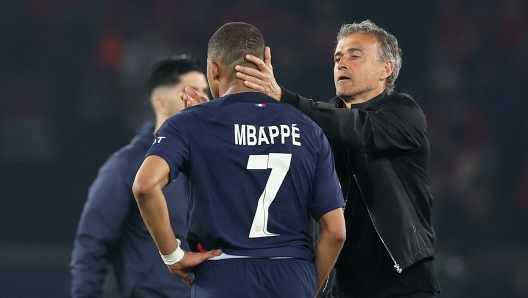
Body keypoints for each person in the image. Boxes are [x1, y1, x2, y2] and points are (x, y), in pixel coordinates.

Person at [219, 19, 442, 297]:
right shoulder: (320, 119)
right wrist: (215, 121)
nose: (342, 63)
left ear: (387, 68)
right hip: (343, 283)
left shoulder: (404, 113)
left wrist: (283, 97)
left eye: (355, 55)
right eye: (338, 57)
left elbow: (360, 130)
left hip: (402, 279)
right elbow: (266, 146)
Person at [132, 22, 346, 298]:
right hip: (292, 274)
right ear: (265, 65)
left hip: (222, 276)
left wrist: (173, 256)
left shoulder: (191, 124)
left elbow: (145, 185)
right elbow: (336, 231)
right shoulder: (309, 129)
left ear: (214, 69)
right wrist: (306, 287)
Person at [70, 55, 210, 298]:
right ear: (161, 103)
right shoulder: (125, 166)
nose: (203, 98)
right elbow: (92, 247)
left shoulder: (212, 162)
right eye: (192, 90)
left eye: (205, 90)